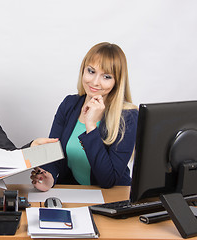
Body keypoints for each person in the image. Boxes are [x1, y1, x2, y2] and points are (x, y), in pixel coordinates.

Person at [30, 42, 138, 191]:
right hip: (77, 193)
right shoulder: (69, 104)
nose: (94, 82)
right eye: (91, 71)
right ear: (83, 70)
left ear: (117, 82)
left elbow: (108, 180)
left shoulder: (128, 117)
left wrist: (91, 125)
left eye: (106, 76)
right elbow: (54, 152)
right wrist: (49, 178)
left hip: (114, 195)